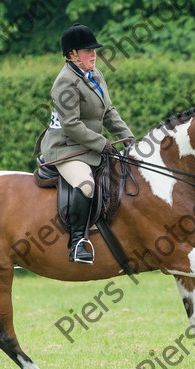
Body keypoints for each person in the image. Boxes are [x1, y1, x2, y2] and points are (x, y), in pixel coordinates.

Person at [36, 23, 135, 264]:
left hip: (88, 145)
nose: (94, 54)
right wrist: (102, 144)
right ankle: (78, 242)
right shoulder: (64, 82)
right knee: (87, 185)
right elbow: (71, 125)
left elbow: (109, 111)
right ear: (71, 55)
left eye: (94, 50)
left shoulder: (96, 74)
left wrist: (130, 138)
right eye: (87, 51)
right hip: (66, 148)